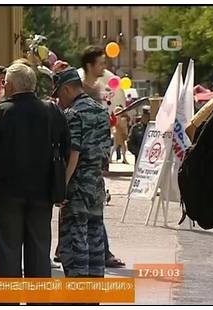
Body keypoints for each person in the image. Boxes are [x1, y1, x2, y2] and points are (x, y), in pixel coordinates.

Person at [0, 63, 70, 279]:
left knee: (8, 253)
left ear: (9, 86)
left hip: (6, 194)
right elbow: (66, 147)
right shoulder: (51, 111)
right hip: (42, 193)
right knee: (38, 251)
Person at [53, 67, 110, 279]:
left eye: (59, 93)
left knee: (74, 247)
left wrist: (62, 188)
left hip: (76, 188)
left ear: (67, 89)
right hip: (96, 186)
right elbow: (105, 154)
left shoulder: (72, 114)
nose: (59, 100)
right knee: (95, 244)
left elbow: (73, 155)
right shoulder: (101, 111)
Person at [79, 46, 126, 268]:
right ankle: (101, 253)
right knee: (91, 209)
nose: (103, 67)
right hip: (81, 160)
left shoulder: (98, 90)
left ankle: (98, 251)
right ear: (90, 65)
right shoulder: (79, 89)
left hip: (94, 160)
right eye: (100, 63)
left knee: (92, 208)